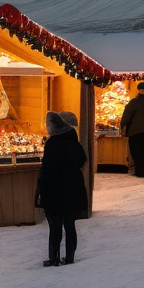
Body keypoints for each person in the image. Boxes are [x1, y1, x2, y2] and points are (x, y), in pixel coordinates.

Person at [38, 110, 88, 266]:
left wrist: (43, 190)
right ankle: (70, 256)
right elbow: (82, 160)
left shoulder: (52, 144)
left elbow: (48, 170)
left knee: (55, 227)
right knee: (69, 225)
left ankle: (54, 258)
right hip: (73, 189)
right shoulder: (73, 141)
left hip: (56, 190)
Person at [120, 81, 144, 177]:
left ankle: (139, 170)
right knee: (142, 150)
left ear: (139, 90)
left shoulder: (134, 102)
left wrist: (122, 124)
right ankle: (141, 169)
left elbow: (127, 116)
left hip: (135, 131)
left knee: (135, 151)